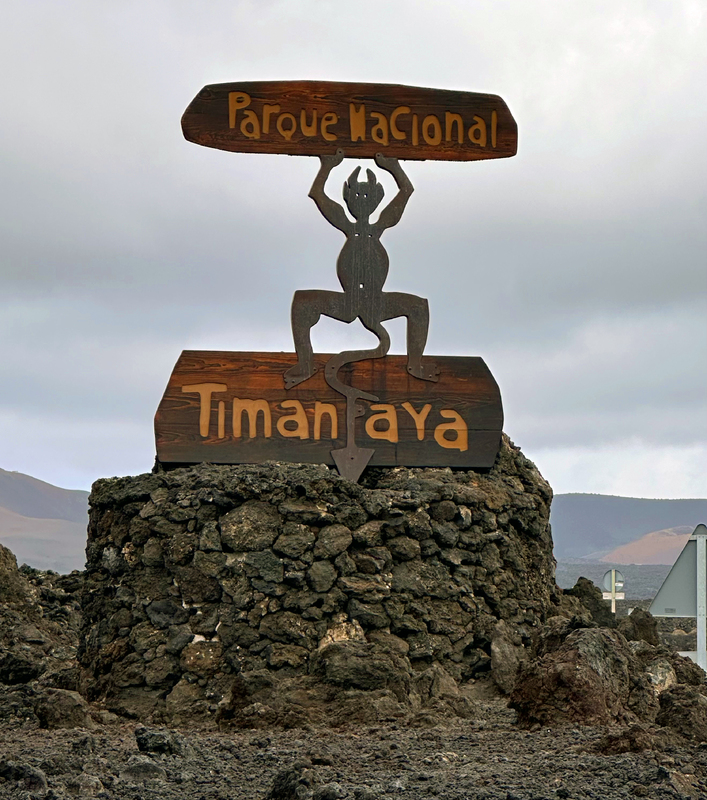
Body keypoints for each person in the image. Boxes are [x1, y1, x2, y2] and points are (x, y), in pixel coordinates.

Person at [284, 148, 438, 389]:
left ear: (377, 198)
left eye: (367, 196)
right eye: (356, 195)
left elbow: (406, 191)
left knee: (418, 307)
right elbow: (317, 194)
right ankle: (304, 365)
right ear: (348, 198)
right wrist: (327, 166)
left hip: (377, 302)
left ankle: (416, 365)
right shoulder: (344, 222)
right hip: (347, 302)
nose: (362, 200)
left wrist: (394, 167)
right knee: (303, 302)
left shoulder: (381, 225)